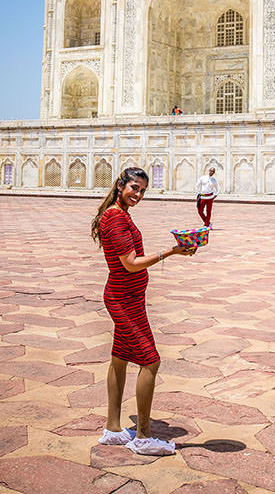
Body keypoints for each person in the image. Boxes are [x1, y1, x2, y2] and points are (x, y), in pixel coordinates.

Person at [93, 167, 196, 456]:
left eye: (142, 191)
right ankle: (143, 436)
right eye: (134, 188)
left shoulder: (120, 214)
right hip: (123, 300)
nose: (137, 195)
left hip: (128, 297)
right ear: (121, 185)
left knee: (120, 358)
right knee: (150, 361)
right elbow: (130, 263)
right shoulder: (115, 217)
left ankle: (113, 428)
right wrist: (170, 252)